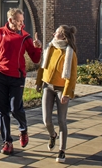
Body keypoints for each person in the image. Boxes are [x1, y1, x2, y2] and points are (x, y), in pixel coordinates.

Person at [0, 8, 42, 155]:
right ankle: (7, 142)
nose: (21, 24)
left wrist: (38, 48)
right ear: (10, 20)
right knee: (1, 111)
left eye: (22, 21)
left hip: (17, 77)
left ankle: (23, 130)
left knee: (15, 108)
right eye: (19, 21)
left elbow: (35, 59)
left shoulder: (25, 37)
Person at [36, 25, 78, 163]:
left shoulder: (70, 53)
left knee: (61, 121)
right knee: (46, 119)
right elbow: (42, 66)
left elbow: (72, 76)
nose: (54, 34)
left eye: (57, 32)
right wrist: (39, 82)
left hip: (61, 89)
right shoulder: (50, 47)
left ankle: (62, 151)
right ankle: (52, 135)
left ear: (63, 36)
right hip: (47, 86)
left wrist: (66, 93)